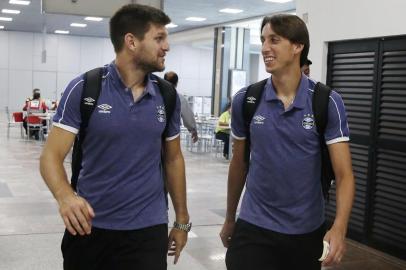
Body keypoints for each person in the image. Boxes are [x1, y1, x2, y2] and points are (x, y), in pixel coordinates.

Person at [39, 4, 190, 270]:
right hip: (90, 227)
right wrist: (65, 196)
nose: (166, 46)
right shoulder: (85, 88)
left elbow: (173, 159)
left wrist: (181, 220)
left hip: (148, 230)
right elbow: (51, 155)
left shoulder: (167, 96)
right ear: (131, 41)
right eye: (158, 38)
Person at [220, 14, 355, 270]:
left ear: (297, 46)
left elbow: (344, 174)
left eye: (274, 40)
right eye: (263, 40)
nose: (264, 48)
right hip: (254, 226)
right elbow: (238, 164)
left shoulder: (326, 102)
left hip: (305, 231)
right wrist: (229, 218)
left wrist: (339, 228)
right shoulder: (246, 100)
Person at [164, 71, 198, 143]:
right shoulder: (179, 98)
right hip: (173, 134)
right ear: (177, 83)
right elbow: (188, 116)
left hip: (157, 133)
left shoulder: (156, 96)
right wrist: (193, 130)